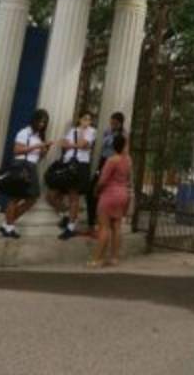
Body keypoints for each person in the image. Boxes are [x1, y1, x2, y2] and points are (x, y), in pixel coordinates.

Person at [0, 108, 53, 239]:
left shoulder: (38, 136)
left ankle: (7, 223)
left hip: (32, 167)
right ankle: (9, 227)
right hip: (21, 166)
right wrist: (37, 147)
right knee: (15, 198)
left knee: (32, 198)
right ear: (34, 120)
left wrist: (45, 149)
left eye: (44, 122)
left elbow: (39, 157)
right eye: (40, 121)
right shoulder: (24, 132)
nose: (42, 125)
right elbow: (17, 150)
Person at [47, 110, 96, 240]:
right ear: (79, 119)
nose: (87, 121)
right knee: (51, 195)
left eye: (89, 119)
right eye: (85, 118)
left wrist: (79, 137)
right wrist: (76, 145)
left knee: (74, 196)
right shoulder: (71, 130)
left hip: (80, 165)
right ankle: (66, 214)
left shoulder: (91, 131)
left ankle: (71, 227)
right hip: (67, 165)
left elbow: (82, 144)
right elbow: (62, 144)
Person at [89, 133, 131, 268]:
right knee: (117, 228)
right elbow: (128, 178)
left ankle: (97, 259)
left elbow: (103, 180)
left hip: (109, 195)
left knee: (104, 228)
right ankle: (114, 258)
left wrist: (96, 190)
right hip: (122, 194)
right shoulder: (128, 160)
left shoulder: (112, 160)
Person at [86, 111, 126, 234]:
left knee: (103, 193)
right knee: (91, 193)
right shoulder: (107, 131)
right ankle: (91, 224)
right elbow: (102, 145)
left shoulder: (123, 135)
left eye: (115, 123)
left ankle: (102, 225)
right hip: (103, 162)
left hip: (112, 163)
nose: (112, 124)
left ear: (120, 123)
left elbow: (120, 151)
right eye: (111, 121)